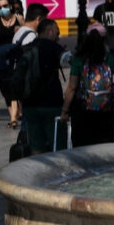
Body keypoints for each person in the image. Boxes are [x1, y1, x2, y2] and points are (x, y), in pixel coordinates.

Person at [60, 23, 114, 147]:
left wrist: (65, 111)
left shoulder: (79, 59)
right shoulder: (110, 59)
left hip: (82, 111)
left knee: (82, 150)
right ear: (105, 39)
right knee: (104, 149)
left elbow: (72, 87)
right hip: (105, 111)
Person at [22, 19, 67, 155]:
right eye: (57, 33)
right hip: (51, 105)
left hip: (30, 105)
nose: (58, 37)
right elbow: (68, 59)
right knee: (58, 147)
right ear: (50, 31)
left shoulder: (27, 48)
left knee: (36, 146)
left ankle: (39, 173)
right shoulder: (53, 46)